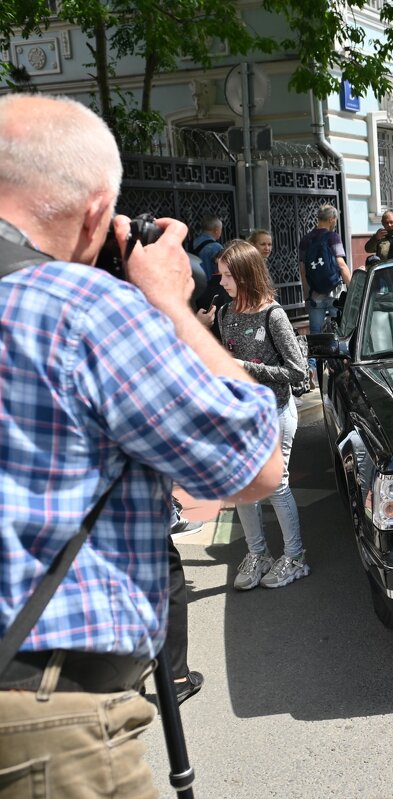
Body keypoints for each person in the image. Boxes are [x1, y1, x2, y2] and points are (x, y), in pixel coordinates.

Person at [0, 94, 282, 795]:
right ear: (99, 212)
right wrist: (165, 301)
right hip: (44, 712)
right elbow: (254, 461)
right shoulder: (78, 310)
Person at [200, 241, 310, 588]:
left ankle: (294, 557)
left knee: (276, 485)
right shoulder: (226, 312)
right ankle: (258, 553)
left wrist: (246, 367)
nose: (222, 283)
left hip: (274, 411)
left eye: (228, 276)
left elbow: (299, 371)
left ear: (247, 275)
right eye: (221, 275)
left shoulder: (272, 314)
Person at [297, 204, 352, 336]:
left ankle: (316, 357)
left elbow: (303, 270)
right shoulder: (333, 237)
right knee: (339, 331)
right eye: (336, 219)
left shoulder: (305, 239)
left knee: (315, 333)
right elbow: (341, 265)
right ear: (332, 219)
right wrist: (352, 289)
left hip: (315, 293)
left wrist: (307, 297)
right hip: (335, 292)